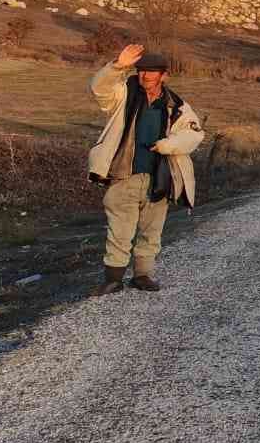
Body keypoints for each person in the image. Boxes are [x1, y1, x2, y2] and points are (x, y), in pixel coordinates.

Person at [86, 43, 203, 295]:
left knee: (151, 231)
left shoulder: (177, 105)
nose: (145, 76)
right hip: (123, 176)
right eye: (141, 71)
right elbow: (99, 88)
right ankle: (113, 279)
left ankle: (142, 276)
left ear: (164, 75)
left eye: (151, 72)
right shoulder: (123, 95)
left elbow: (194, 135)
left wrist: (168, 145)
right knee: (119, 230)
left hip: (158, 178)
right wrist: (118, 66)